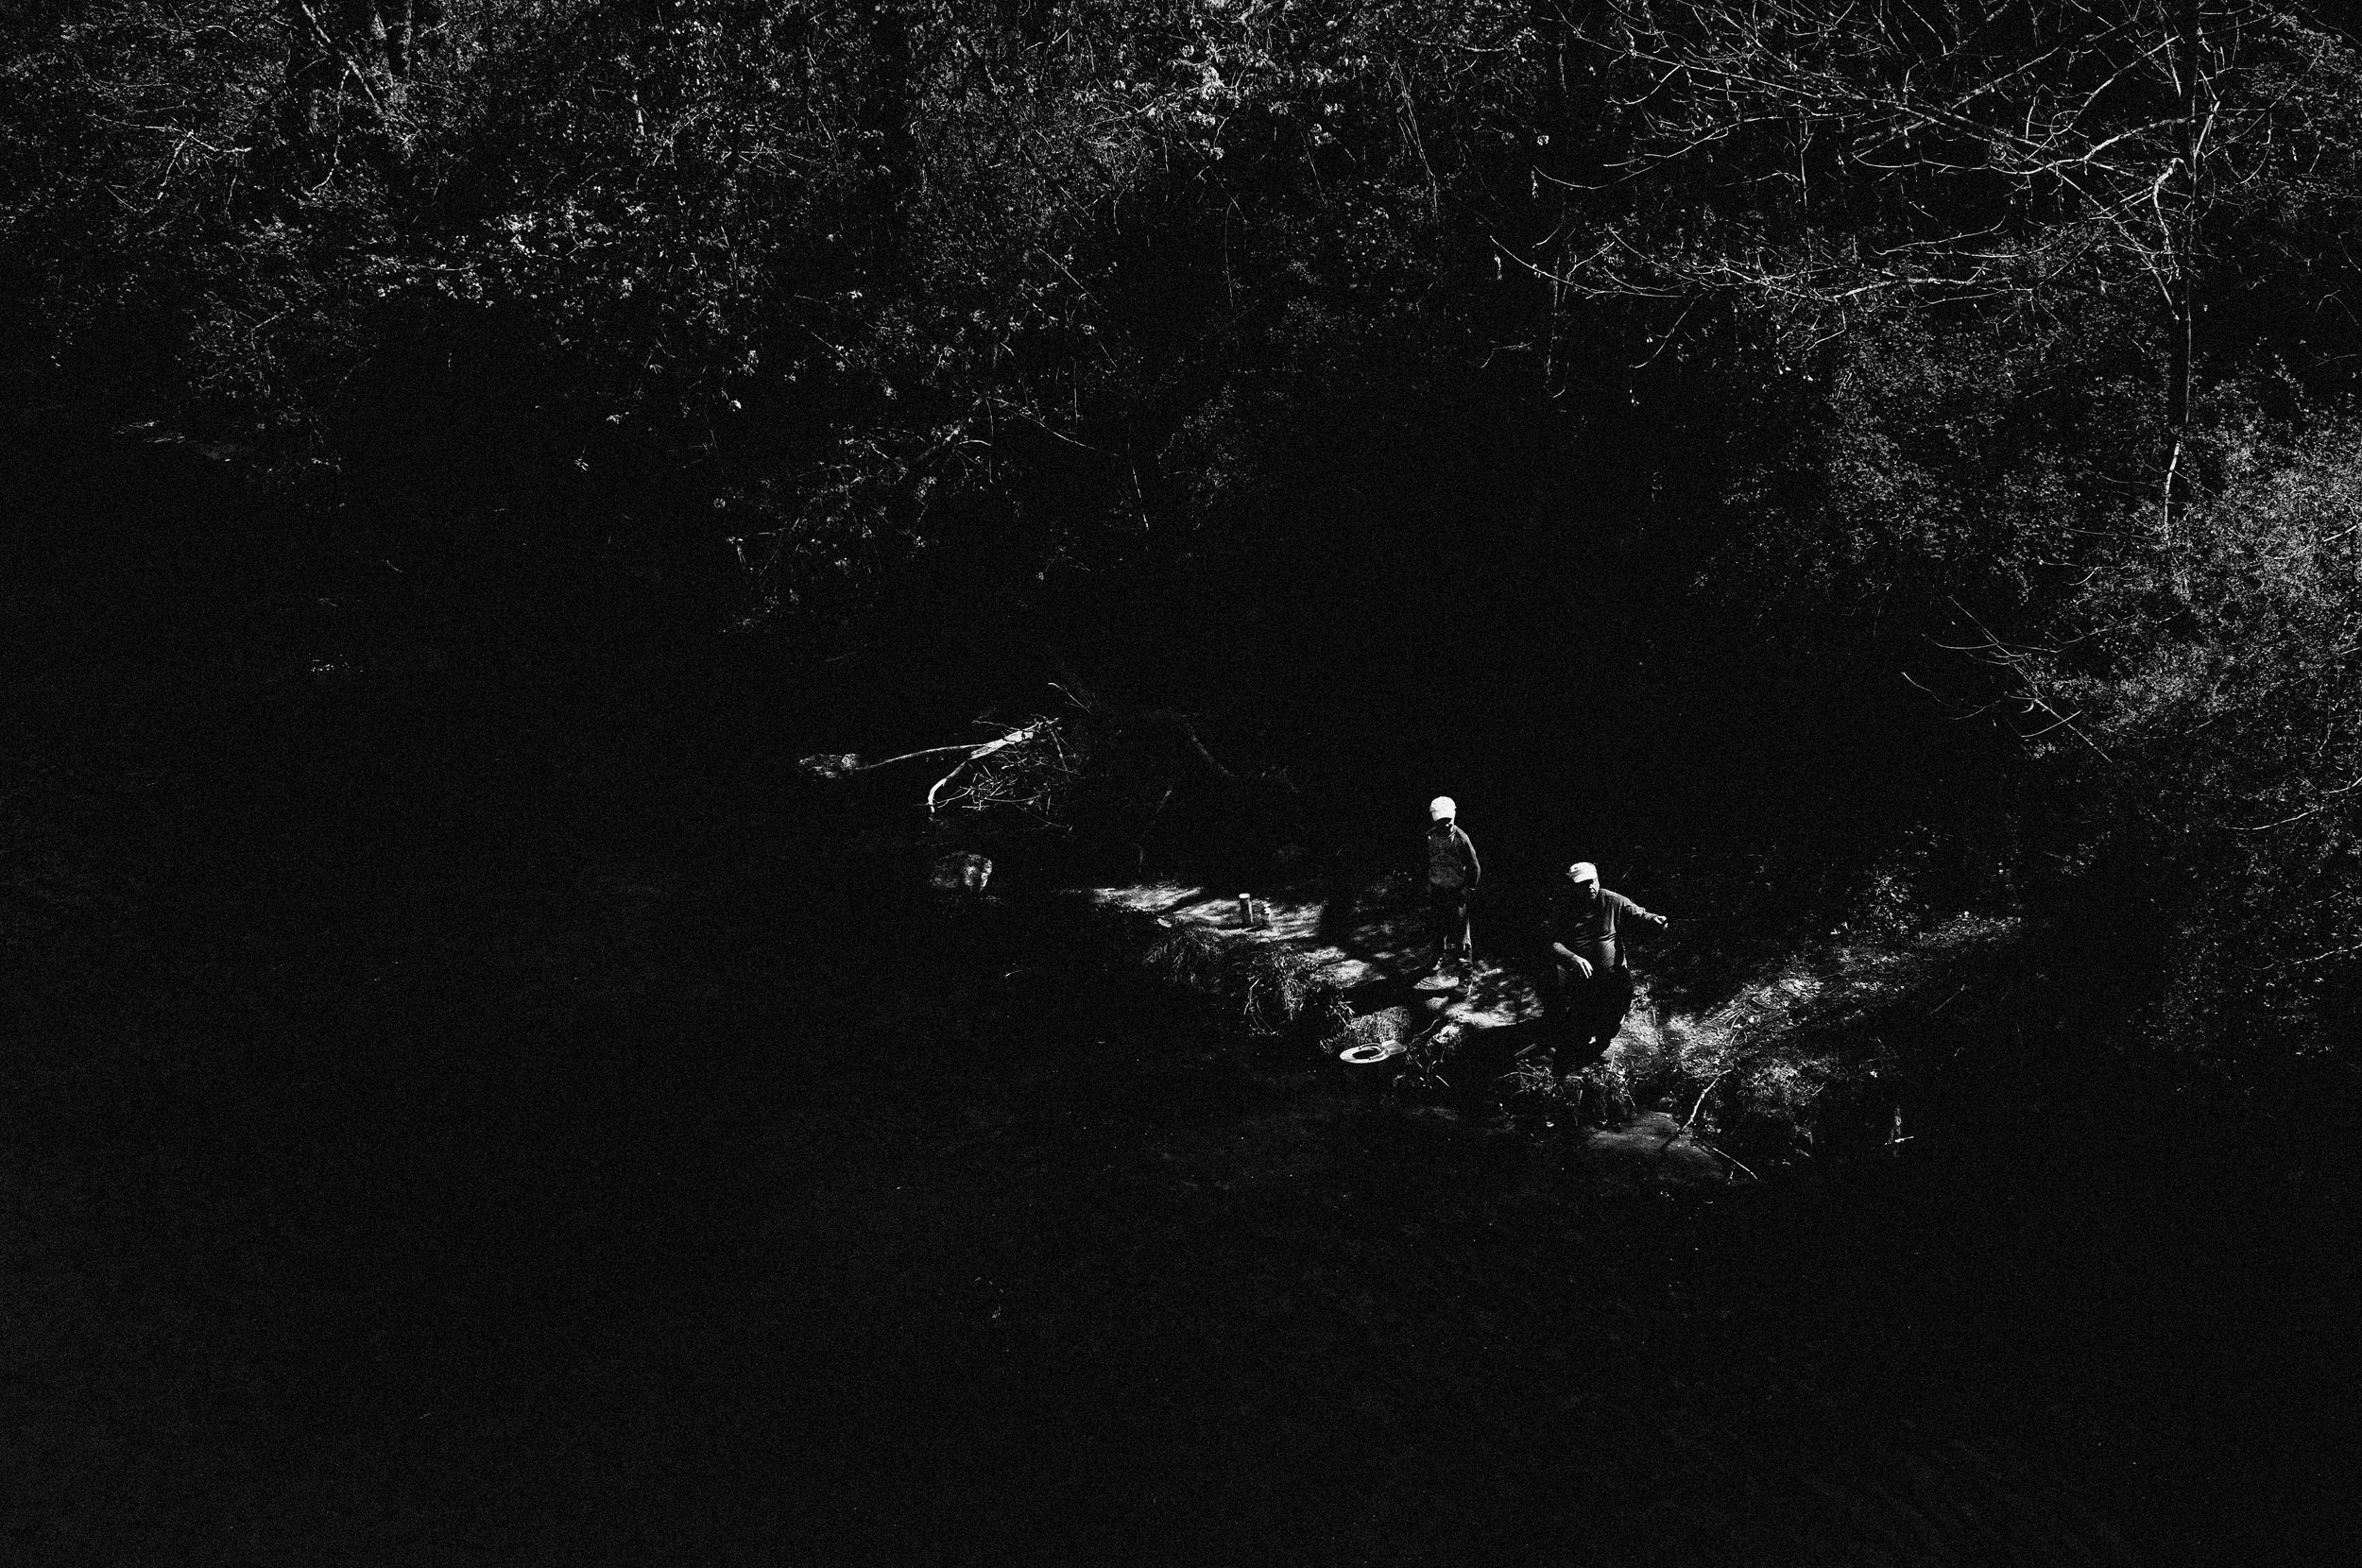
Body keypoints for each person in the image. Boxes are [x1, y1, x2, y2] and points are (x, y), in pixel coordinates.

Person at [1542, 861, 1668, 1082]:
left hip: (1612, 974)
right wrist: (1574, 958)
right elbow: (1552, 943)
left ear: (1598, 879)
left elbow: (1639, 914)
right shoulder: (1565, 908)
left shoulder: (1611, 900)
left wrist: (1654, 920)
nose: (1590, 887)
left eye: (1592, 881)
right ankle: (1576, 1047)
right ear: (1573, 886)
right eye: (1583, 884)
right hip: (1580, 975)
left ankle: (1602, 1041)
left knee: (1613, 1013)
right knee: (1581, 1019)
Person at [1419, 796, 1481, 980]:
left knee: (1461, 937)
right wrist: (1427, 884)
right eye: (1441, 821)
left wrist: (1469, 888)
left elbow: (1474, 866)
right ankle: (1437, 957)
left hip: (1457, 893)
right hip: (1438, 891)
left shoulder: (1461, 838)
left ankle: (1465, 976)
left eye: (1448, 821)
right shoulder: (1429, 837)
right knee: (1438, 928)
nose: (1445, 825)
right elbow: (1423, 862)